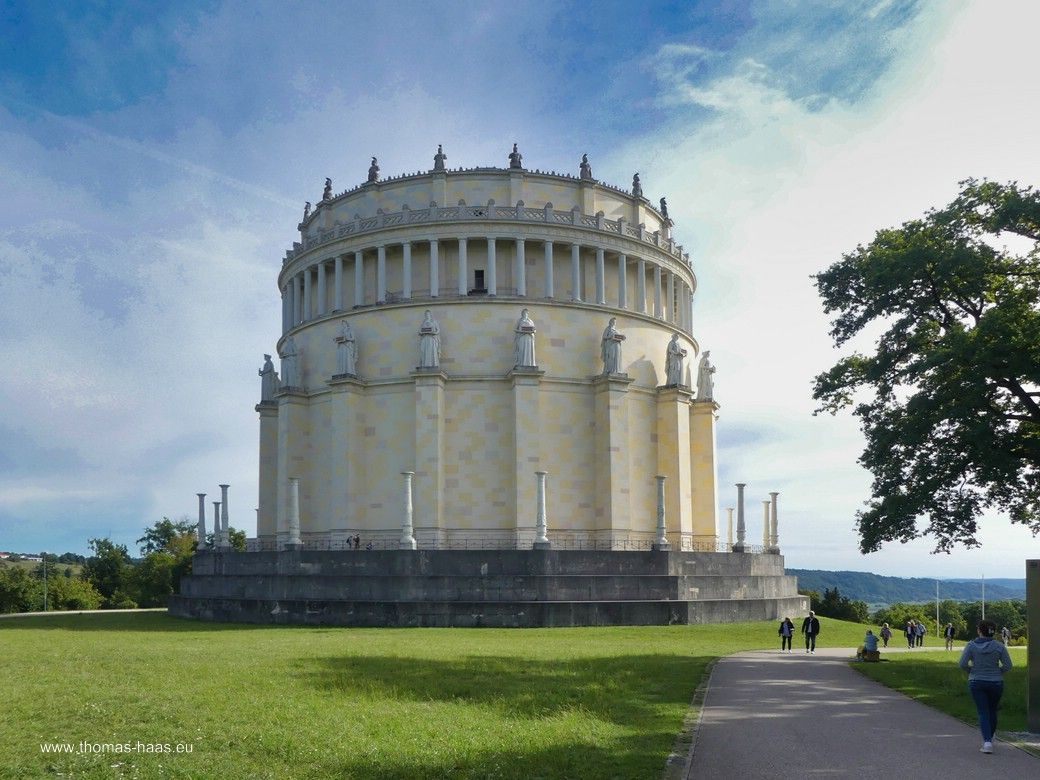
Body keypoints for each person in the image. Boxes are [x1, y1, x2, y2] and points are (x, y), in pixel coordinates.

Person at [959, 619, 1013, 754]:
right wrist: (997, 672)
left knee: (983, 711)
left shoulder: (971, 645)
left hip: (977, 681)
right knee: (992, 710)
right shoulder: (999, 646)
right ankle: (990, 736)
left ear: (979, 630)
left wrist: (972, 671)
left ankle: (987, 741)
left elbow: (962, 663)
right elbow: (1008, 665)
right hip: (996, 682)